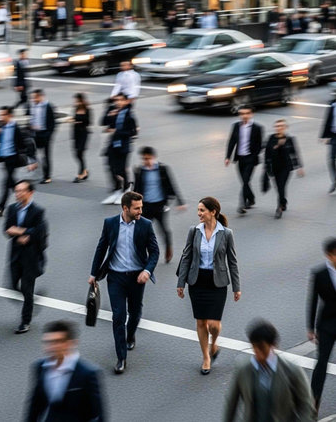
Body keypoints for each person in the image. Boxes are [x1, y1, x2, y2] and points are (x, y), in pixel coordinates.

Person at [89, 191, 159, 374]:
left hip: (137, 277)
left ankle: (131, 334)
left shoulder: (145, 225)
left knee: (135, 312)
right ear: (125, 208)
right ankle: (121, 358)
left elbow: (154, 252)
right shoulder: (110, 223)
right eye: (137, 208)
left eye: (141, 207)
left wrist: (147, 270)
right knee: (118, 316)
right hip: (116, 277)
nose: (140, 211)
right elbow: (101, 247)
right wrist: (93, 273)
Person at [176, 197, 240, 375]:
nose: (199, 213)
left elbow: (232, 262)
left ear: (213, 212)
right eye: (198, 210)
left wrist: (236, 287)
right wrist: (181, 283)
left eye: (202, 210)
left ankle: (214, 343)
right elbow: (187, 257)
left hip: (217, 282)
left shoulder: (226, 233)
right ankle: (206, 357)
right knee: (201, 321)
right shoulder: (194, 231)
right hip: (197, 281)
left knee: (214, 324)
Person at [224, 319, 316, 421]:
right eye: (254, 347)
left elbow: (306, 405)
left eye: (262, 348)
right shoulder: (243, 370)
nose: (257, 352)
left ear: (273, 345)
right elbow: (232, 404)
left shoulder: (292, 371)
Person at [25, 320, 105, 421]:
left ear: (70, 343)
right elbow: (35, 405)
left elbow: (98, 414)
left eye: (57, 342)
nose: (52, 347)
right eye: (48, 342)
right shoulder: (40, 367)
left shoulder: (87, 374)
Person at [4, 180, 48, 334]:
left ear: (30, 192)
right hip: (15, 255)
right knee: (12, 284)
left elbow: (41, 233)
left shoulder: (38, 211)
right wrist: (23, 232)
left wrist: (22, 232)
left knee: (26, 289)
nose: (18, 194)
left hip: (31, 257)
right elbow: (7, 229)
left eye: (22, 190)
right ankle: (30, 301)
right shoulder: (11, 209)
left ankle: (25, 321)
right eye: (16, 191)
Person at [133, 146, 186, 263]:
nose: (146, 161)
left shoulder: (163, 169)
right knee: (142, 231)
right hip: (145, 205)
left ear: (153, 157)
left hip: (160, 205)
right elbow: (136, 189)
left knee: (164, 229)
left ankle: (168, 248)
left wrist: (180, 202)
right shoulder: (140, 171)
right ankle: (142, 254)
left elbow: (172, 184)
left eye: (148, 158)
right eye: (144, 159)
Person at [0, 106, 37, 216]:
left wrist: (31, 160)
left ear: (10, 116)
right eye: (1, 115)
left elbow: (25, 144)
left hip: (13, 158)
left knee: (7, 183)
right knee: (11, 183)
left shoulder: (16, 128)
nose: (1, 117)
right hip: (4, 159)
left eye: (3, 115)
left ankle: (1, 208)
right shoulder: (1, 126)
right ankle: (24, 198)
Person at [307, 237, 336, 413]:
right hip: (326, 324)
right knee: (321, 363)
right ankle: (314, 401)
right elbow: (312, 301)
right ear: (329, 255)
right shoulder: (319, 274)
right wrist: (310, 328)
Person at [225, 105, 264, 214]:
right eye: (242, 114)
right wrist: (228, 157)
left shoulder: (257, 128)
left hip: (251, 159)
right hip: (240, 159)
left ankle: (242, 204)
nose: (244, 116)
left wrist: (253, 156)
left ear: (251, 114)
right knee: (244, 181)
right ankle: (251, 198)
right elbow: (232, 141)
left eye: (247, 113)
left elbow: (260, 145)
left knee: (245, 180)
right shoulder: (236, 126)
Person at [101, 93, 138, 205]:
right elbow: (103, 122)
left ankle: (126, 189)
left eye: (121, 100)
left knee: (121, 169)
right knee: (111, 168)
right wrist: (109, 113)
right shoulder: (114, 111)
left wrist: (116, 131)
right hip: (112, 145)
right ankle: (117, 190)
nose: (118, 102)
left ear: (126, 101)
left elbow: (132, 132)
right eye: (117, 100)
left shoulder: (129, 115)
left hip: (123, 145)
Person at [264, 119, 304, 218]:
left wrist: (299, 167)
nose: (279, 128)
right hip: (274, 167)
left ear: (285, 128)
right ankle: (284, 201)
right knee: (278, 187)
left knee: (281, 186)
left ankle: (279, 208)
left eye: (281, 126)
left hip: (286, 168)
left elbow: (295, 152)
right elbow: (267, 153)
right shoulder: (271, 138)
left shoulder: (290, 139)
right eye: (277, 126)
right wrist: (266, 167)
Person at [27, 89, 56, 184]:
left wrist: (48, 134)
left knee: (46, 156)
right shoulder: (33, 106)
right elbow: (32, 118)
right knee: (32, 152)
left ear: (40, 97)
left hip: (45, 134)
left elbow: (52, 123)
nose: (33, 99)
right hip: (36, 134)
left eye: (35, 97)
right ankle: (37, 171)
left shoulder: (48, 107)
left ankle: (47, 176)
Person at [70, 93, 91, 183]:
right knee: (77, 154)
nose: (76, 102)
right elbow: (74, 119)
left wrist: (78, 122)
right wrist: (73, 120)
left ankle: (81, 174)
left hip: (83, 133)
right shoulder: (76, 109)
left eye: (77, 100)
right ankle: (85, 170)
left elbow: (88, 122)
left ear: (82, 100)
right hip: (76, 134)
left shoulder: (87, 110)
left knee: (80, 152)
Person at [320, 99, 336, 193]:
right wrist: (324, 136)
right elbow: (327, 120)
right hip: (334, 136)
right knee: (331, 159)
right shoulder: (332, 104)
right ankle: (335, 180)